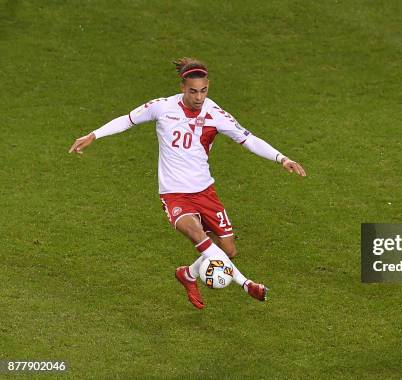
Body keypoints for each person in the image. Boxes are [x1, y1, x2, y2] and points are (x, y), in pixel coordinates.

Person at [69, 57, 306, 310]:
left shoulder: (216, 114)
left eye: (203, 91)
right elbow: (127, 120)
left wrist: (282, 158)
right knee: (198, 235)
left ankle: (188, 274)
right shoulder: (161, 107)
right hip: (174, 194)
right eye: (193, 91)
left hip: (205, 191)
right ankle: (247, 284)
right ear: (182, 87)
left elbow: (248, 139)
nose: (199, 97)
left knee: (228, 250)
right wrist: (94, 134)